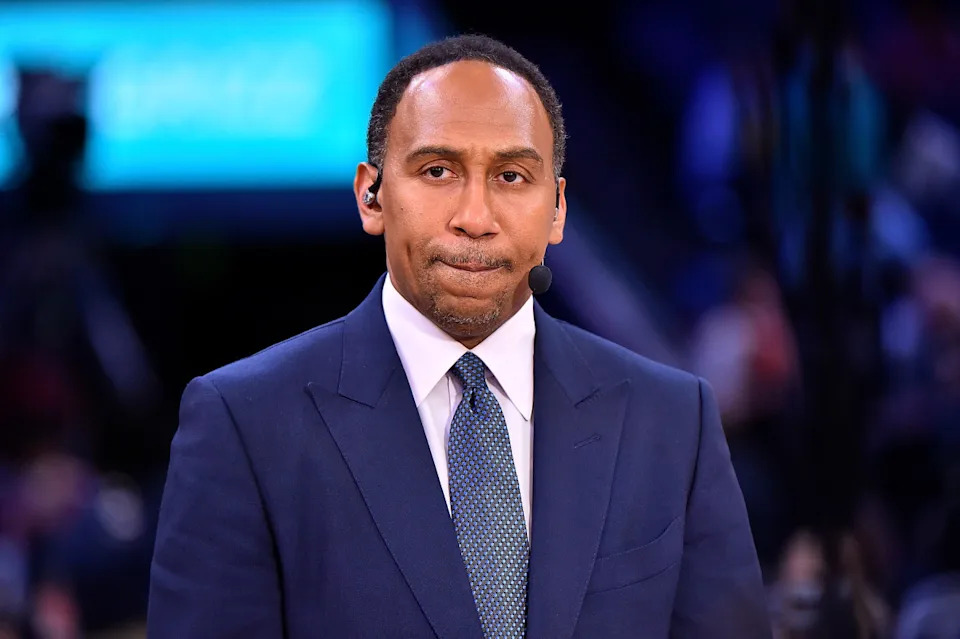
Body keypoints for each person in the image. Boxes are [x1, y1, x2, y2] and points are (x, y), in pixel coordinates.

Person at [147, 35, 770, 638]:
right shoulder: (244, 425)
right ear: (372, 196)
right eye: (439, 170)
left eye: (511, 177)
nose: (475, 217)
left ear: (556, 210)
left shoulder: (671, 420)